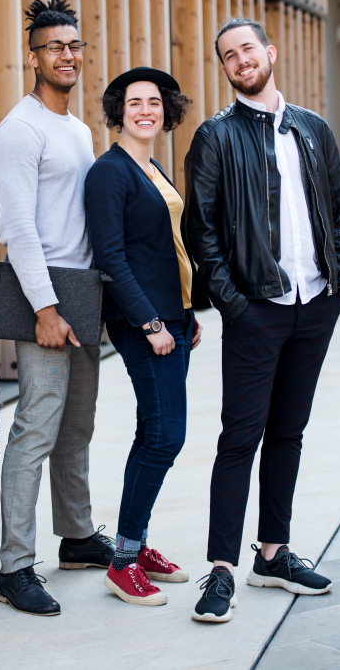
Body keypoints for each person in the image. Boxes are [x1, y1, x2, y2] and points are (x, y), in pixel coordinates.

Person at [185, 17, 340, 623]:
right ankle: (222, 569)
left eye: (246, 49)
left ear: (269, 53)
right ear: (225, 68)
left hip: (316, 305)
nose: (239, 61)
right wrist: (234, 302)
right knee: (240, 438)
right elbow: (199, 230)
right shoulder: (215, 136)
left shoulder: (313, 129)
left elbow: (335, 210)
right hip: (257, 310)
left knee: (288, 433)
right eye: (228, 55)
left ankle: (273, 554)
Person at [0, 0, 114, 617]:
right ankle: (14, 566)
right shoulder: (19, 129)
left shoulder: (78, 128)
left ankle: (79, 536)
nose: (66, 56)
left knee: (78, 426)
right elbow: (18, 226)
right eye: (53, 47)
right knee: (37, 425)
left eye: (73, 46)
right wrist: (44, 307)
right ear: (32, 55)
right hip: (42, 289)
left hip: (84, 289)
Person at [85, 67, 207, 606]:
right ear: (118, 110)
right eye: (134, 102)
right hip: (145, 325)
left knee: (155, 432)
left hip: (172, 316)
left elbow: (166, 247)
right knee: (164, 436)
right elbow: (111, 257)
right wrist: (152, 323)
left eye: (154, 102)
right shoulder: (109, 172)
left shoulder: (151, 164)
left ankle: (137, 543)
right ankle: (124, 560)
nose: (145, 110)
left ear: (166, 111)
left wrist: (186, 310)